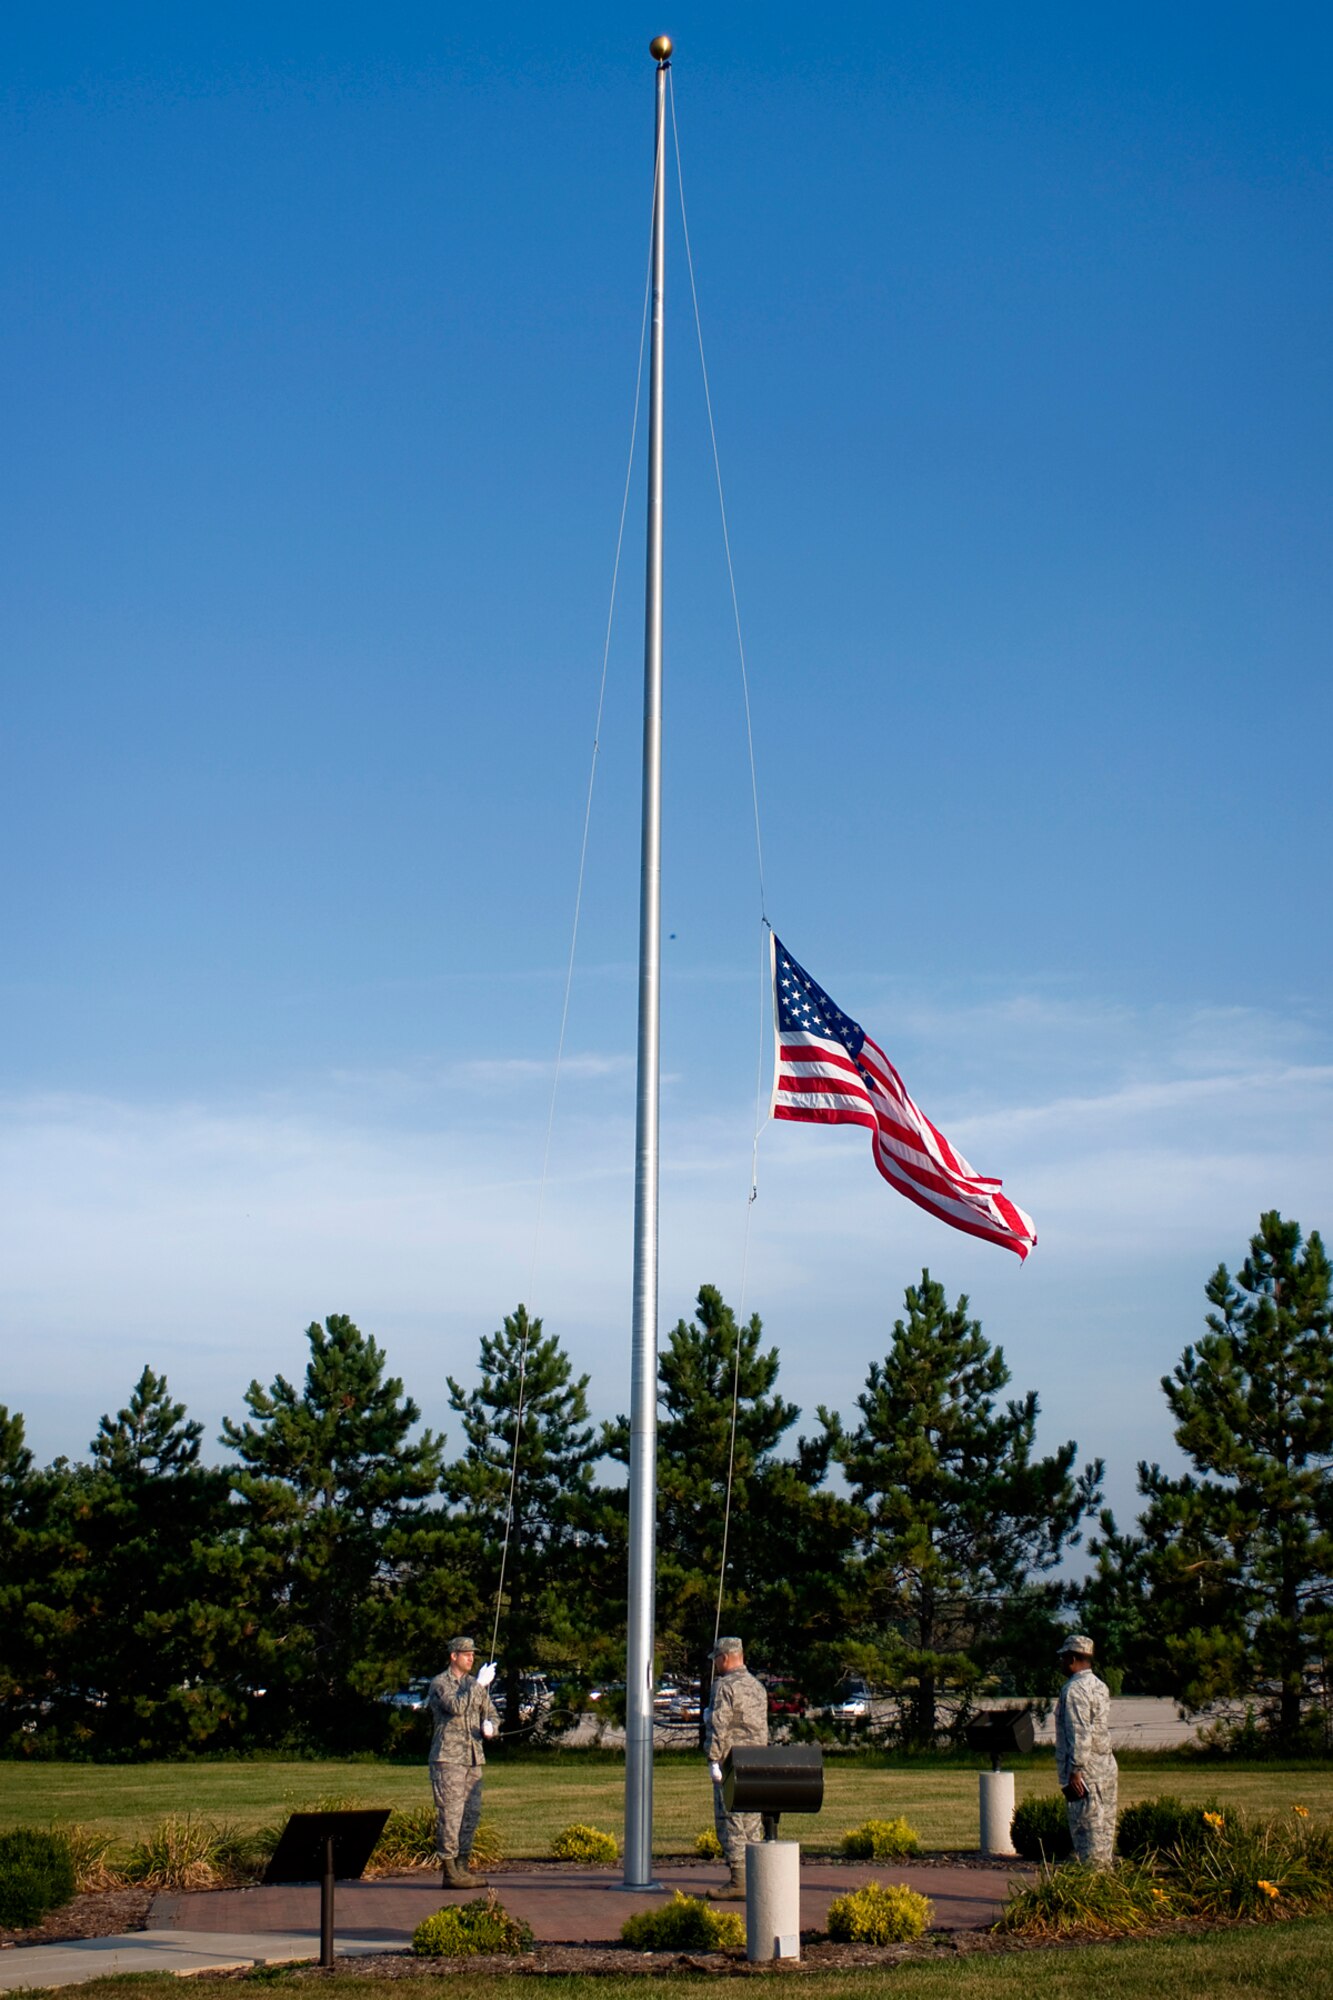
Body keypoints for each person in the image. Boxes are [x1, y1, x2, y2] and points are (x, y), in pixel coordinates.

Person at [428, 1636, 501, 1887]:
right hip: (448, 1758)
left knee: (470, 1813)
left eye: (472, 1653)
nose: (471, 1657)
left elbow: (490, 1711)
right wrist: (478, 1685)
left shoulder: (473, 1683)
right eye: (466, 1653)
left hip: (472, 1757)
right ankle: (450, 1871)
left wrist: (492, 1726)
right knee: (451, 1813)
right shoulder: (441, 1683)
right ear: (453, 1656)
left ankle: (462, 1867)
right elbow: (457, 1706)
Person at [704, 1636, 769, 1899]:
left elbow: (720, 1726)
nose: (716, 1664)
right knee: (751, 1821)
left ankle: (739, 1880)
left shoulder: (723, 1687)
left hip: (730, 1761)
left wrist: (713, 1759)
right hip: (755, 1762)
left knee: (730, 1820)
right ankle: (754, 1878)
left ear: (726, 1657)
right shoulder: (757, 1686)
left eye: (717, 1659)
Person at [1054, 1631, 1118, 1867]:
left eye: (1064, 1658)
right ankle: (1107, 1886)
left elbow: (1080, 1732)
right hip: (1106, 1767)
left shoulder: (1074, 1690)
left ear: (1072, 1659)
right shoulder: (1100, 1686)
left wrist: (1075, 1771)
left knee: (1088, 1834)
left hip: (1087, 1773)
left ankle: (1094, 1887)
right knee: (1104, 1833)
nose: (1062, 1663)